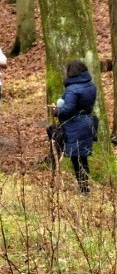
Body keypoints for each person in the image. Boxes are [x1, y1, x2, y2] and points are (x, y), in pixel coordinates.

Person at [49, 59, 98, 193]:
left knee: (76, 158)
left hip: (75, 125)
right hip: (87, 122)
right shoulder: (91, 85)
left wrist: (56, 111)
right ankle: (84, 185)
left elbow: (68, 109)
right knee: (82, 157)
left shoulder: (72, 90)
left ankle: (84, 189)